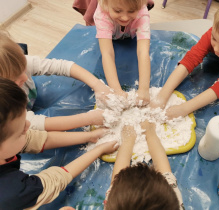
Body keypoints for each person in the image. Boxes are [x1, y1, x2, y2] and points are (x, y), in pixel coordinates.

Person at [0, 77, 119, 210]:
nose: (29, 125)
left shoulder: (7, 142)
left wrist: (90, 136)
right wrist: (98, 150)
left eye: (26, 119)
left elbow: (36, 139)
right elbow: (56, 179)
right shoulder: (13, 191)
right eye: (21, 130)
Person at [0, 31, 114, 131]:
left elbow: (61, 66)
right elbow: (35, 124)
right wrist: (88, 119)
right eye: (16, 79)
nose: (25, 78)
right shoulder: (5, 109)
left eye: (24, 70)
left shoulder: (18, 63)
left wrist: (97, 85)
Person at [104, 121, 184, 209]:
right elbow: (163, 166)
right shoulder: (171, 205)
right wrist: (150, 133)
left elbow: (117, 174)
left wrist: (128, 140)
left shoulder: (115, 205)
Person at [94, 0, 151, 106]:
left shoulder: (142, 13)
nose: (125, 17)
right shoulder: (102, 15)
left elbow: (143, 51)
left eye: (131, 11)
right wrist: (116, 90)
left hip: (131, 36)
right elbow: (107, 53)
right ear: (106, 4)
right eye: (118, 10)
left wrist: (144, 89)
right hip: (111, 36)